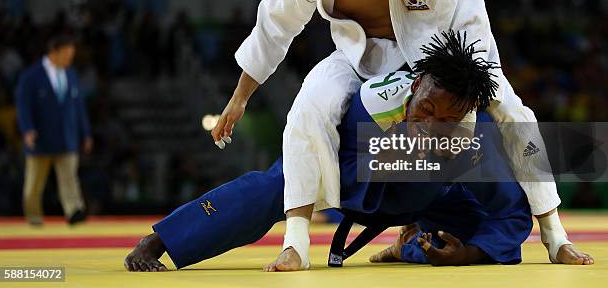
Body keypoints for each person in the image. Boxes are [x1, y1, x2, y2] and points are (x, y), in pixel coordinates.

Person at [210, 0, 586, 270]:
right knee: (307, 107)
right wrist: (240, 97)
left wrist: (463, 121)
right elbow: (275, 25)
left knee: (514, 113)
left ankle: (555, 236)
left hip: (439, 58)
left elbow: (471, 35)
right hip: (357, 56)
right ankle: (295, 243)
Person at [126, 31, 593, 271]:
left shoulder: (472, 135)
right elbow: (295, 176)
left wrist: (471, 254)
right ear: (411, 90)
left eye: (445, 119)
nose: (428, 123)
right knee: (281, 185)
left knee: (483, 214)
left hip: (425, 196)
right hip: (360, 171)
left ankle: (410, 243)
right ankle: (164, 237)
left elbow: (510, 214)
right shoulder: (372, 102)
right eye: (424, 108)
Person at [15, 33, 92, 225]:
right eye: (67, 54)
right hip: (40, 137)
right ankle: (33, 215)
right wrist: (27, 129)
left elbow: (79, 107)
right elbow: (24, 106)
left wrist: (86, 133)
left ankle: (74, 211)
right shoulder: (31, 77)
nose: (70, 58)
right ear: (54, 52)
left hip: (67, 136)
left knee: (70, 179)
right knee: (34, 182)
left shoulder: (71, 74)